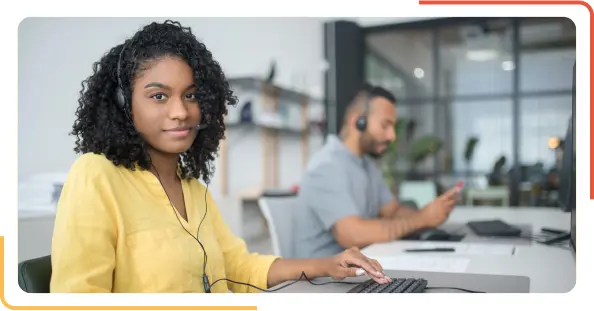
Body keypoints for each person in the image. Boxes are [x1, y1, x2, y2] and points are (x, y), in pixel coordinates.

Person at [49, 20, 390, 293]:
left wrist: (327, 265)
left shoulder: (192, 187)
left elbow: (238, 267)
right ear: (125, 104)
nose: (181, 112)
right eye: (158, 96)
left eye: (192, 95)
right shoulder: (96, 176)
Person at [293, 84, 460, 258]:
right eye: (385, 125)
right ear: (358, 121)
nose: (392, 136)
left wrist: (432, 212)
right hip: (322, 280)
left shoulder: (367, 165)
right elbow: (352, 235)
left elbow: (392, 211)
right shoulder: (326, 166)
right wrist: (421, 219)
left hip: (360, 267)